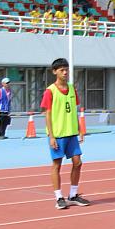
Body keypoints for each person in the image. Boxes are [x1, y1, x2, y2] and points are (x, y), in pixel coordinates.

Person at [40, 58, 89, 210]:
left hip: (71, 134)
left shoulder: (72, 88)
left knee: (78, 162)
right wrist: (52, 136)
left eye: (66, 69)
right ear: (54, 72)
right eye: (61, 70)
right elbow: (47, 114)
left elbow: (74, 110)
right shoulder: (50, 91)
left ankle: (73, 195)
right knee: (57, 165)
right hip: (58, 134)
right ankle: (58, 197)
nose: (65, 72)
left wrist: (80, 129)